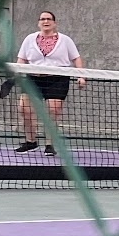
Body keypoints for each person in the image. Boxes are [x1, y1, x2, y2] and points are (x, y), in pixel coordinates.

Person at [13, 10, 86, 156]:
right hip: (33, 78)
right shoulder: (29, 39)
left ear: (54, 22)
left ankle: (50, 145)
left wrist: (81, 76)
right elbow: (22, 59)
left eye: (49, 19)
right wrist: (16, 73)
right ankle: (30, 142)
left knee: (53, 110)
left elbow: (76, 58)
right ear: (38, 23)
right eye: (42, 19)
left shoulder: (65, 40)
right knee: (24, 108)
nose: (45, 22)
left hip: (57, 79)